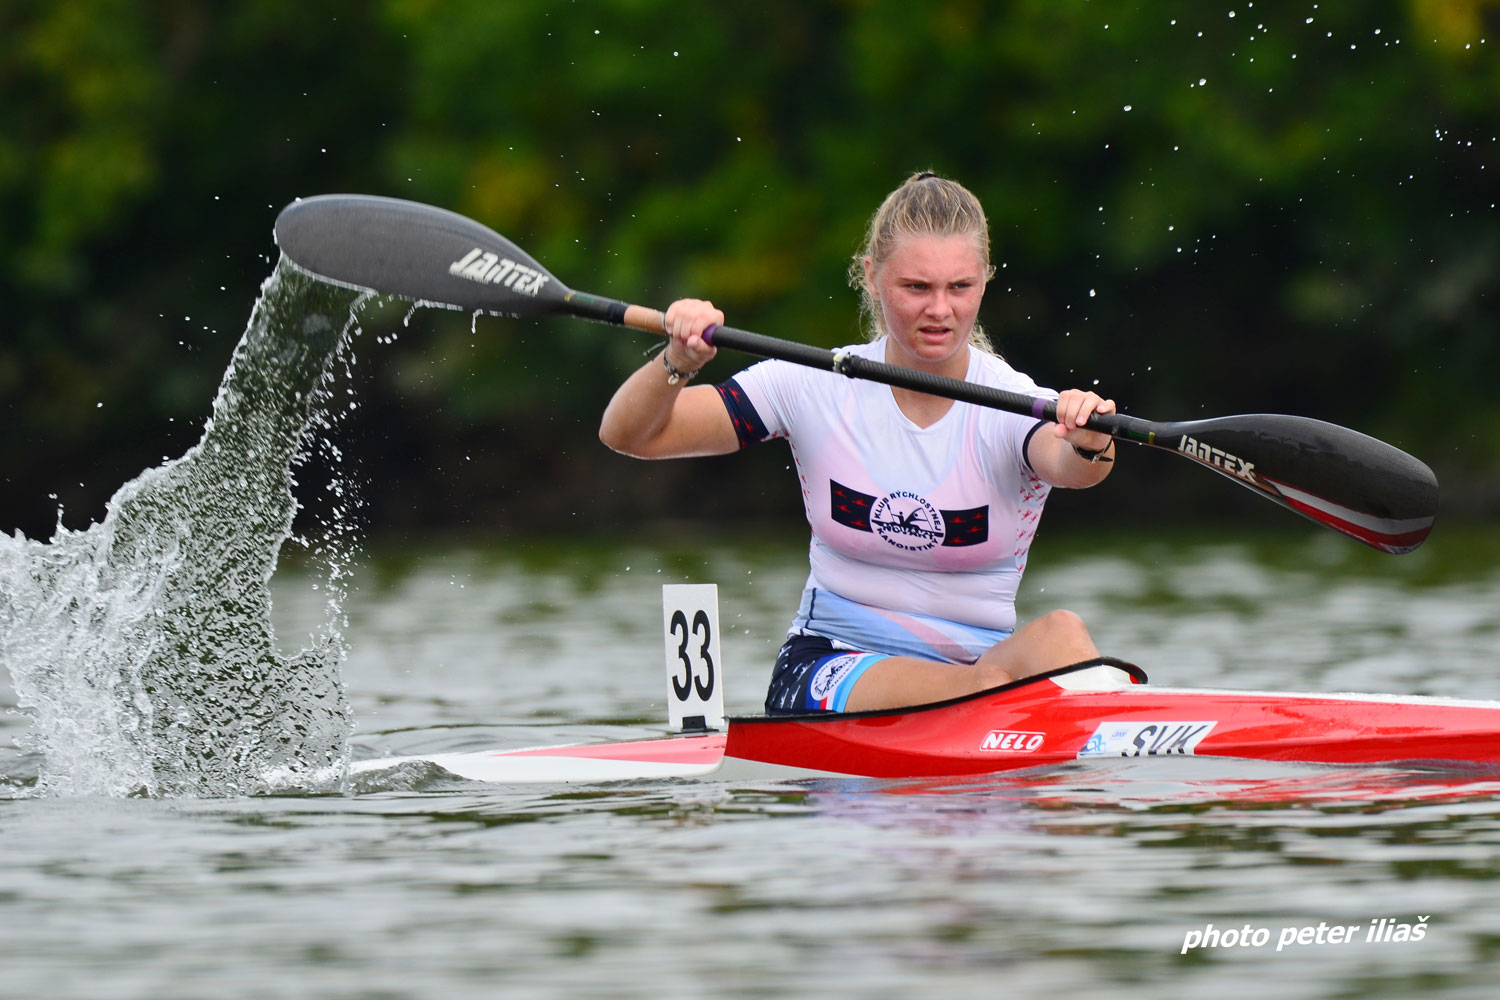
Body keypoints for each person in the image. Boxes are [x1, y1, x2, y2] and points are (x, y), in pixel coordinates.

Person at [599, 171, 1117, 715]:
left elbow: (1072, 465)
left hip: (979, 667)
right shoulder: (812, 384)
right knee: (989, 690)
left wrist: (1089, 439)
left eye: (959, 287)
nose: (940, 310)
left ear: (984, 282)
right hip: (831, 664)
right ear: (872, 277)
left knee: (1063, 633)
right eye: (917, 288)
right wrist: (678, 362)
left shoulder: (1013, 402)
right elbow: (631, 435)